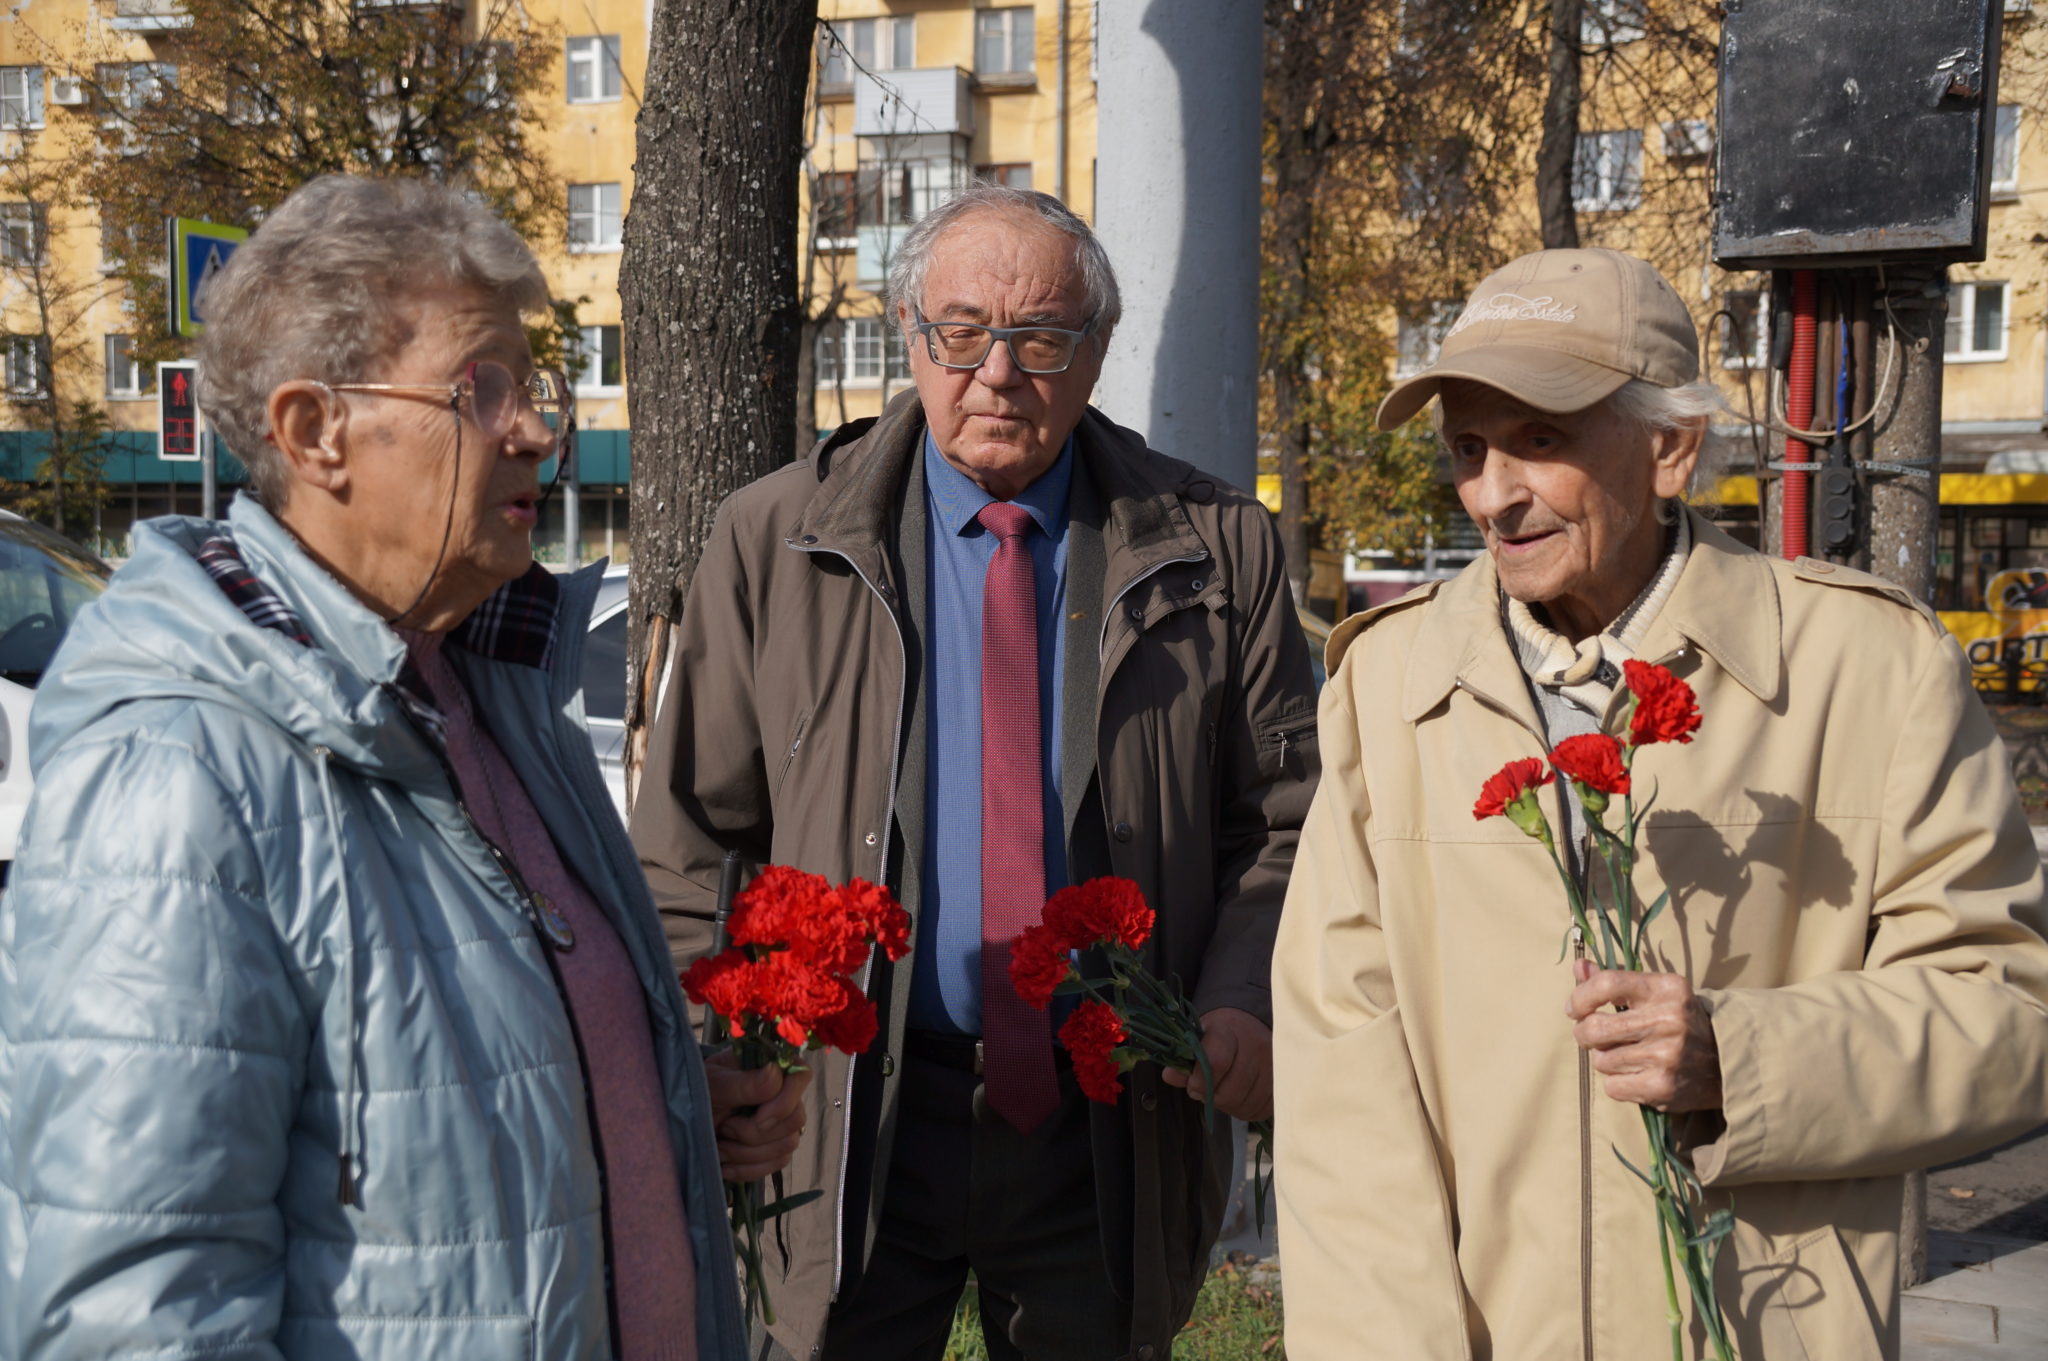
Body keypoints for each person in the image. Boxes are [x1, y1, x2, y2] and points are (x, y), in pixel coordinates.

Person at [0, 175, 788, 1360]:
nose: (535, 430)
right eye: (484, 390)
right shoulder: (179, 771)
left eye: (537, 388)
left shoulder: (485, 688)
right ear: (315, 432)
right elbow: (131, 1307)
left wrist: (655, 1096)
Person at [1272, 246, 2048, 1359]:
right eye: (1467, 448)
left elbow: (2010, 1011)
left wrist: (1741, 1056)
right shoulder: (1383, 687)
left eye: (1540, 439)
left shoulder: (1864, 667)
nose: (1494, 493)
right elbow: (1337, 1077)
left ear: (1669, 447)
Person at [631, 183, 1320, 1361]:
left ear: (1095, 354)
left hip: (1105, 1120)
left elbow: (1283, 826)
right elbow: (691, 836)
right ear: (909, 334)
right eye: (960, 332)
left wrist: (1239, 998)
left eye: (1039, 337)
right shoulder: (775, 537)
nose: (995, 372)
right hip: (840, 1117)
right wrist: (719, 1055)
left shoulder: (1217, 548)